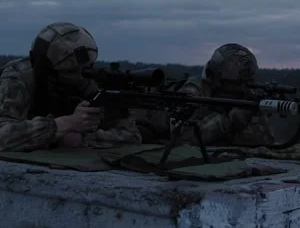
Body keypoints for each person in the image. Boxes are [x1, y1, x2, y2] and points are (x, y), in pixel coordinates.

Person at [0, 22, 142, 152]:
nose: (79, 78)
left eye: (86, 69)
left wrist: (81, 138)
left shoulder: (88, 81)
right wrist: (64, 124)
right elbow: (3, 136)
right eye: (70, 72)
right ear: (47, 69)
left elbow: (131, 135)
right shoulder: (18, 79)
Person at [173, 43, 275, 147]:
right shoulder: (193, 92)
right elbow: (182, 138)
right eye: (234, 84)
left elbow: (265, 140)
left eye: (244, 83)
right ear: (216, 78)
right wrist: (227, 122)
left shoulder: (247, 93)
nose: (241, 89)